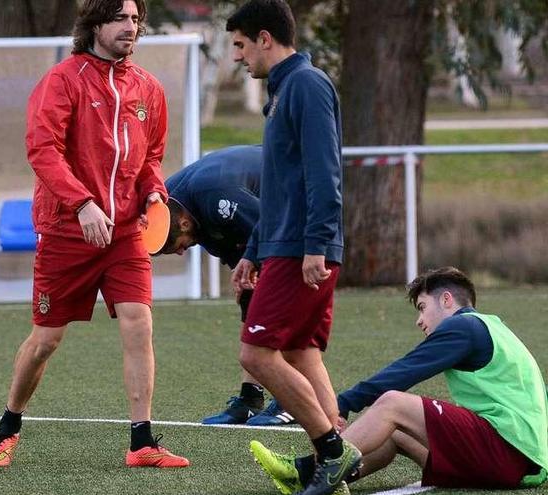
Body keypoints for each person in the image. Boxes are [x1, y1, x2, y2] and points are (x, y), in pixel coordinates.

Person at [0, 0, 188, 469]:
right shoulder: (63, 80)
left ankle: (141, 441)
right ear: (95, 24)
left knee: (139, 322)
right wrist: (82, 203)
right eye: (119, 18)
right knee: (45, 341)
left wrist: (155, 193)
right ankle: (8, 426)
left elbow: (151, 158)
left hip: (124, 236)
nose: (130, 27)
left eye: (135, 19)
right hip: (66, 232)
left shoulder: (149, 89)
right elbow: (42, 149)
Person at [251, 266, 548, 493]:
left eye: (422, 308)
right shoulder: (495, 327)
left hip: (508, 455)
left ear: (447, 300)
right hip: (521, 461)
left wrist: (344, 402)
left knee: (392, 404)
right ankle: (333, 480)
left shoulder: (464, 327)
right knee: (394, 432)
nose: (420, 320)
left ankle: (309, 470)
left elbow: (406, 371)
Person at [226, 2, 354, 494]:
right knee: (301, 352)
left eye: (239, 45)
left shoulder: (306, 84)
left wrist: (317, 243)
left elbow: (326, 173)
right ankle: (343, 462)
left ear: (264, 38)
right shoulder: (282, 92)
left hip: (303, 247)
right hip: (282, 244)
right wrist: (253, 250)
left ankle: (333, 452)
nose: (238, 57)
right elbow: (280, 186)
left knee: (256, 356)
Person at [159, 144, 295, 427]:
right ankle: (250, 399)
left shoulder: (215, 199)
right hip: (257, 216)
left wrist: (256, 264)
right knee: (251, 296)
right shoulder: (170, 202)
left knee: (279, 298)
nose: (183, 252)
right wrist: (244, 270)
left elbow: (274, 229)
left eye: (179, 247)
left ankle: (292, 397)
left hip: (295, 200)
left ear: (183, 223)